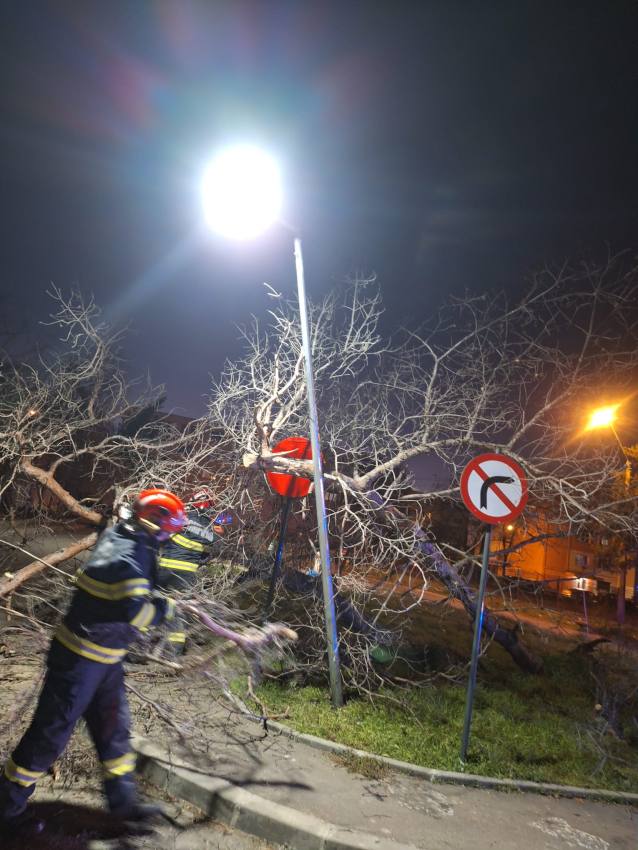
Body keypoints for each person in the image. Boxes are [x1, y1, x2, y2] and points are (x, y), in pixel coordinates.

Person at [0, 489, 187, 838]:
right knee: (48, 737)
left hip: (105, 663)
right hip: (78, 663)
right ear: (156, 521)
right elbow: (134, 611)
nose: (171, 536)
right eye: (170, 529)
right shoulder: (127, 550)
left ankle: (124, 809)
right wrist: (166, 608)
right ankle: (7, 809)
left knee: (114, 737)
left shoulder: (135, 539)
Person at [155, 491, 231, 656]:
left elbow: (161, 533)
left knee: (153, 606)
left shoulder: (181, 517)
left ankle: (137, 648)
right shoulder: (210, 530)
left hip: (163, 570)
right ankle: (172, 654)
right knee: (180, 612)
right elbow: (214, 550)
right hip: (185, 576)